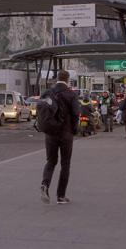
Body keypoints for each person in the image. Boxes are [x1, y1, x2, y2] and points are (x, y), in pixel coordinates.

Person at [40, 70, 80, 205]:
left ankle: (45, 184)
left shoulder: (47, 93)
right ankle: (61, 196)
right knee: (65, 164)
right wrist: (74, 130)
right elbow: (76, 114)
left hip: (50, 133)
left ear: (57, 79)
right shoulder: (71, 94)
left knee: (50, 161)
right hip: (66, 133)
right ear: (68, 80)